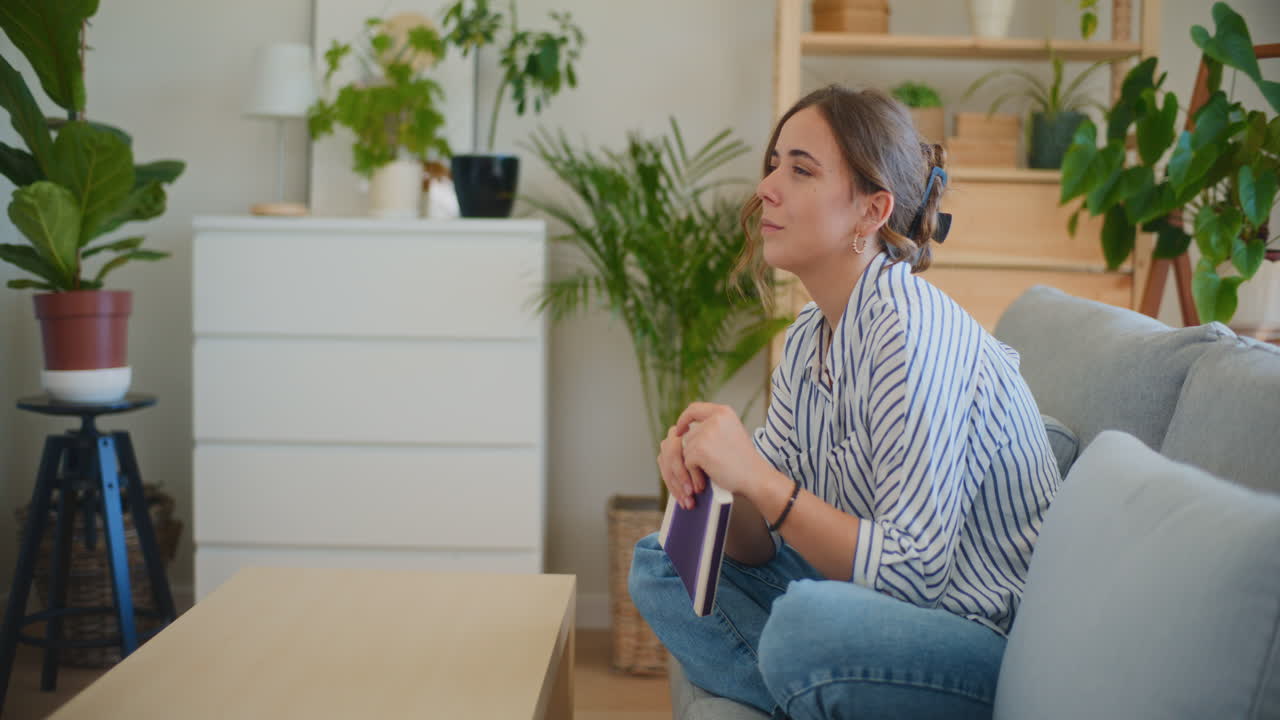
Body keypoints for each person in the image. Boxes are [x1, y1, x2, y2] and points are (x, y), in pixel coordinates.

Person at [628, 84, 1062, 720]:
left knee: (805, 624)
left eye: (801, 170)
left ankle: (809, 687)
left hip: (973, 636)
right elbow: (760, 545)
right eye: (773, 165)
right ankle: (815, 697)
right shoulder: (812, 334)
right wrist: (716, 480)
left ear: (871, 210)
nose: (767, 188)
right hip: (866, 604)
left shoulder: (909, 331)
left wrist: (761, 480)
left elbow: (914, 574)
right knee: (661, 562)